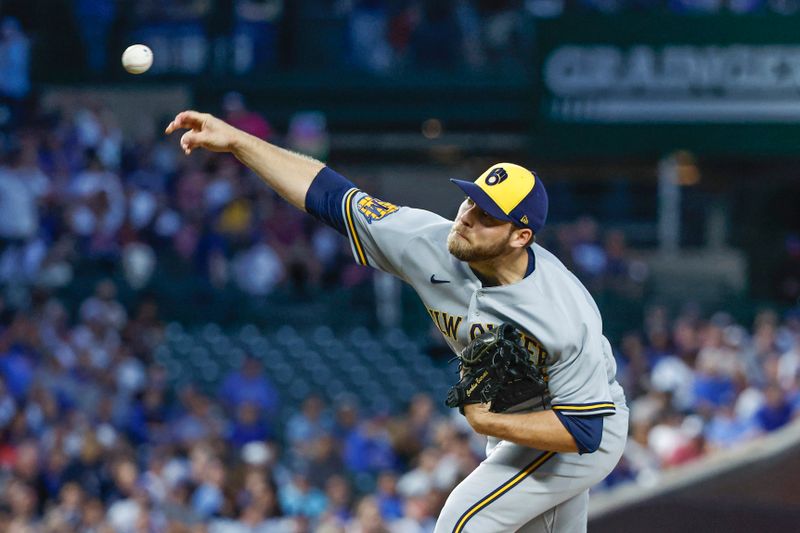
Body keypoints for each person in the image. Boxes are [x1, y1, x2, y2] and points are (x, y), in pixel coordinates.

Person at [165, 110, 629, 532]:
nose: (466, 217)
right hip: (521, 411)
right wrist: (239, 141)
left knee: (464, 521)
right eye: (470, 200)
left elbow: (583, 431)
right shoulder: (428, 241)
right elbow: (329, 194)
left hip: (583, 425)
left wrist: (490, 422)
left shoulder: (564, 313)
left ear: (520, 236)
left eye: (487, 215)